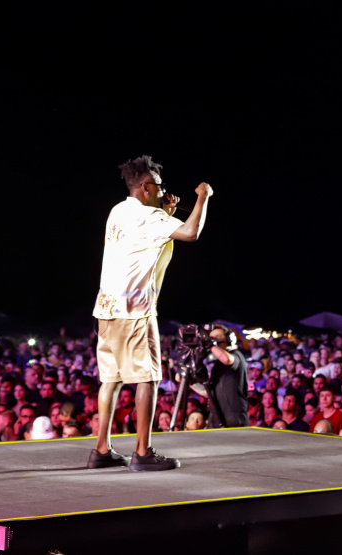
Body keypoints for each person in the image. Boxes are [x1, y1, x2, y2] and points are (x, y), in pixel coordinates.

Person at [89, 155, 212, 472]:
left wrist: (165, 211)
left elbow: (148, 238)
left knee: (111, 380)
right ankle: (143, 452)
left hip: (106, 309)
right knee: (148, 378)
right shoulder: (149, 216)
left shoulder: (119, 210)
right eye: (159, 186)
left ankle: (101, 449)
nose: (163, 190)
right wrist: (203, 197)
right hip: (135, 312)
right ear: (145, 187)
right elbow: (191, 232)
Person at [206, 325, 249, 428]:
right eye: (211, 338)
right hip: (217, 421)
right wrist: (189, 381)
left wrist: (210, 345)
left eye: (217, 337)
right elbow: (208, 393)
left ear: (229, 339)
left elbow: (227, 359)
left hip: (234, 421)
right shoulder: (216, 366)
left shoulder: (236, 355)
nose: (213, 341)